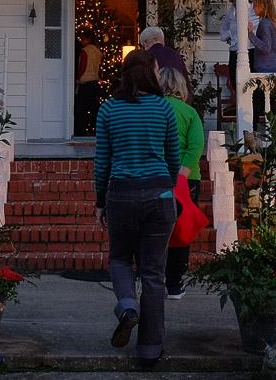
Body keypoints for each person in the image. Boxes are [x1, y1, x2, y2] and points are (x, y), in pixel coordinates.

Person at [94, 49, 180, 367]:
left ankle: (128, 307)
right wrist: (164, 186)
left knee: (119, 259)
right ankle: (149, 350)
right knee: (154, 274)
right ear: (149, 74)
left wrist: (100, 201)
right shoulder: (164, 109)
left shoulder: (108, 110)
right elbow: (174, 157)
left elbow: (102, 161)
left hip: (121, 194)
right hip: (159, 196)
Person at [157, 65, 204, 300]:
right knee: (180, 231)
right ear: (181, 87)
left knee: (154, 231)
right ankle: (174, 284)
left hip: (156, 176)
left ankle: (153, 279)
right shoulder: (189, 113)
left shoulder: (154, 110)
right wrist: (183, 172)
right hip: (186, 179)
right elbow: (196, 145)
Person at [75, 34, 103, 136]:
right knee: (94, 109)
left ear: (88, 39)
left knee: (81, 109)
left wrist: (78, 78)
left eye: (83, 38)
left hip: (85, 82)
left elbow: (82, 66)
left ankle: (80, 131)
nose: (81, 41)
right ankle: (96, 130)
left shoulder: (85, 51)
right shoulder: (98, 51)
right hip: (94, 82)